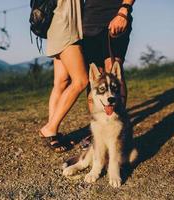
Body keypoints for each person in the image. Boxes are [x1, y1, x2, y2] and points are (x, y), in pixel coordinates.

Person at [80, 0, 135, 149]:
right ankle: (97, 131)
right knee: (96, 77)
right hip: (88, 24)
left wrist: (124, 10)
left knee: (113, 69)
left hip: (115, 16)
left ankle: (120, 127)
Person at [39, 0, 88, 152]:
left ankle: (51, 133)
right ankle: (50, 128)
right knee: (81, 81)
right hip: (66, 29)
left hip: (57, 25)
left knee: (61, 82)